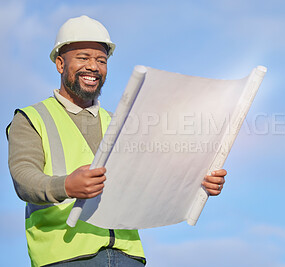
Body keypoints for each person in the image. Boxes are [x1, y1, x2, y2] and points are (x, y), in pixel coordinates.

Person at [7, 15, 226, 267]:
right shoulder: (32, 118)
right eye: (83, 57)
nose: (93, 66)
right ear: (59, 64)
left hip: (128, 256)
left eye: (101, 60)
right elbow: (24, 179)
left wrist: (197, 183)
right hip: (66, 258)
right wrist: (66, 186)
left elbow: (150, 180)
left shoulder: (121, 123)